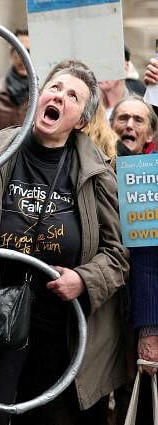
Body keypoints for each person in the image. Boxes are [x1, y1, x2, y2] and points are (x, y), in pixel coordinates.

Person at [0, 60, 129, 425]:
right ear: (39, 95)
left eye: (73, 95)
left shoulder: (98, 172)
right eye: (55, 87)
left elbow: (117, 255)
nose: (59, 96)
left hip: (58, 330)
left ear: (80, 120)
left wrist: (84, 280)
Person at [109, 95, 158, 425]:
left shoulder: (149, 176)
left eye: (138, 120)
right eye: (122, 118)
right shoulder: (98, 167)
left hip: (136, 309)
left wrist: (149, 330)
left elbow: (148, 260)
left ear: (151, 134)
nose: (129, 125)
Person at [0, 28, 30, 130]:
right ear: (11, 53)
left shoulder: (43, 96)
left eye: (29, 51)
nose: (25, 57)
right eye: (19, 51)